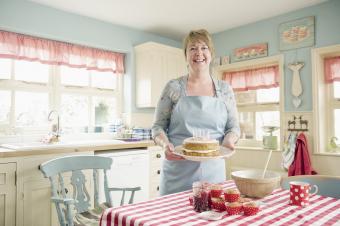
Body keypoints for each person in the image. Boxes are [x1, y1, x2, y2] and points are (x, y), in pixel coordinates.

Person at [152, 29, 240, 195]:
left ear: (211, 53)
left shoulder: (225, 89)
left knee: (211, 218)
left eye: (204, 47)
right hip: (178, 171)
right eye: (192, 48)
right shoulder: (173, 87)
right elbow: (158, 127)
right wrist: (165, 145)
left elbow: (233, 127)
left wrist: (229, 141)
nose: (198, 53)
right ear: (185, 55)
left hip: (214, 173)